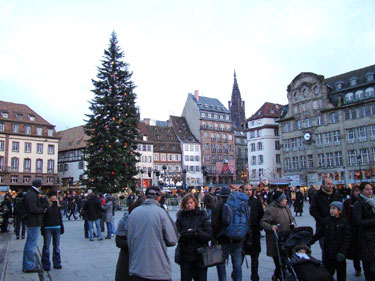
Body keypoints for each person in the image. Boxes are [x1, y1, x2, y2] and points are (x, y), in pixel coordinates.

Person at [126, 186, 178, 280]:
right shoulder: (161, 213)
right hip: (157, 268)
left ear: (145, 197)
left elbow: (128, 236)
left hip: (136, 267)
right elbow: (172, 239)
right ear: (159, 197)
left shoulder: (134, 213)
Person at [260, 191, 296, 281]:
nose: (286, 201)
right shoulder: (271, 209)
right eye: (284, 199)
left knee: (285, 260)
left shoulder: (286, 208)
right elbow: (263, 222)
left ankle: (277, 276)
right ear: (279, 200)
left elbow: (292, 218)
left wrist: (293, 224)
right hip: (275, 240)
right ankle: (278, 276)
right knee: (279, 261)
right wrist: (271, 227)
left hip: (287, 237)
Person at [175, 193, 212, 281]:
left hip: (200, 254)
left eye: (191, 203)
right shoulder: (181, 217)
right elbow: (176, 234)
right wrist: (184, 234)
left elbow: (209, 235)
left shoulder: (202, 215)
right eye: (187, 203)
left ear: (195, 203)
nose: (189, 205)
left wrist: (196, 233)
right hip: (185, 254)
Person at [311, 202, 350, 281]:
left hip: (339, 252)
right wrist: (310, 240)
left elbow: (347, 238)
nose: (331, 210)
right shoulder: (326, 221)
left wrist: (342, 252)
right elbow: (319, 233)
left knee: (341, 274)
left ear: (339, 211)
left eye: (334, 208)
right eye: (330, 208)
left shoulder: (344, 222)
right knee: (328, 273)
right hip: (328, 253)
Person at [211, 186, 245, 281]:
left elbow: (214, 225)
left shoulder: (218, 207)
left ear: (221, 196)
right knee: (237, 266)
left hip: (223, 240)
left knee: (221, 264)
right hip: (237, 239)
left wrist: (214, 238)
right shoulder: (237, 206)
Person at [309, 177, 341, 250]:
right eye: (328, 184)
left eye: (331, 184)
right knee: (325, 248)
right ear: (323, 185)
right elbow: (312, 210)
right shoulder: (317, 196)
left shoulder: (336, 195)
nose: (330, 186)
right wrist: (322, 220)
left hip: (336, 225)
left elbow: (341, 209)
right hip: (323, 226)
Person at [241, 185, 264, 281]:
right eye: (247, 190)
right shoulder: (239, 202)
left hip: (254, 233)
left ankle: (255, 276)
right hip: (242, 234)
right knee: (240, 257)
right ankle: (237, 275)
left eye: (250, 190)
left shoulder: (256, 202)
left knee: (255, 257)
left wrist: (259, 226)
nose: (249, 192)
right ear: (242, 191)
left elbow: (261, 216)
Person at [353, 182, 375, 281]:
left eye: (371, 189)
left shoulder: (373, 201)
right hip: (366, 238)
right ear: (362, 191)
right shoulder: (358, 203)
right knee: (369, 266)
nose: (370, 191)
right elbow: (357, 221)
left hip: (373, 237)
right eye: (367, 189)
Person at [22, 179, 45, 273]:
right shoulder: (32, 194)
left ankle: (27, 264)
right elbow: (33, 209)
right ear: (40, 186)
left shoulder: (31, 193)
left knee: (30, 243)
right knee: (31, 244)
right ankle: (29, 265)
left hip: (32, 221)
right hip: (33, 221)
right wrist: (42, 209)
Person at [41, 190, 64, 271]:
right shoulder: (45, 205)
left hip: (57, 227)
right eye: (52, 196)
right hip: (48, 227)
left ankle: (57, 263)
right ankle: (46, 264)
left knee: (56, 247)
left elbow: (60, 217)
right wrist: (42, 227)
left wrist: (62, 227)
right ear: (50, 197)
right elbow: (42, 218)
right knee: (46, 247)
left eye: (55, 196)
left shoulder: (58, 206)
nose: (54, 197)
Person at [343, 185, 362, 277]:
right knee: (355, 252)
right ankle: (357, 269)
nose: (358, 193)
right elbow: (345, 216)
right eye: (356, 191)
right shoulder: (348, 202)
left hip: (362, 228)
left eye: (359, 191)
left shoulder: (364, 202)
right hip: (353, 229)